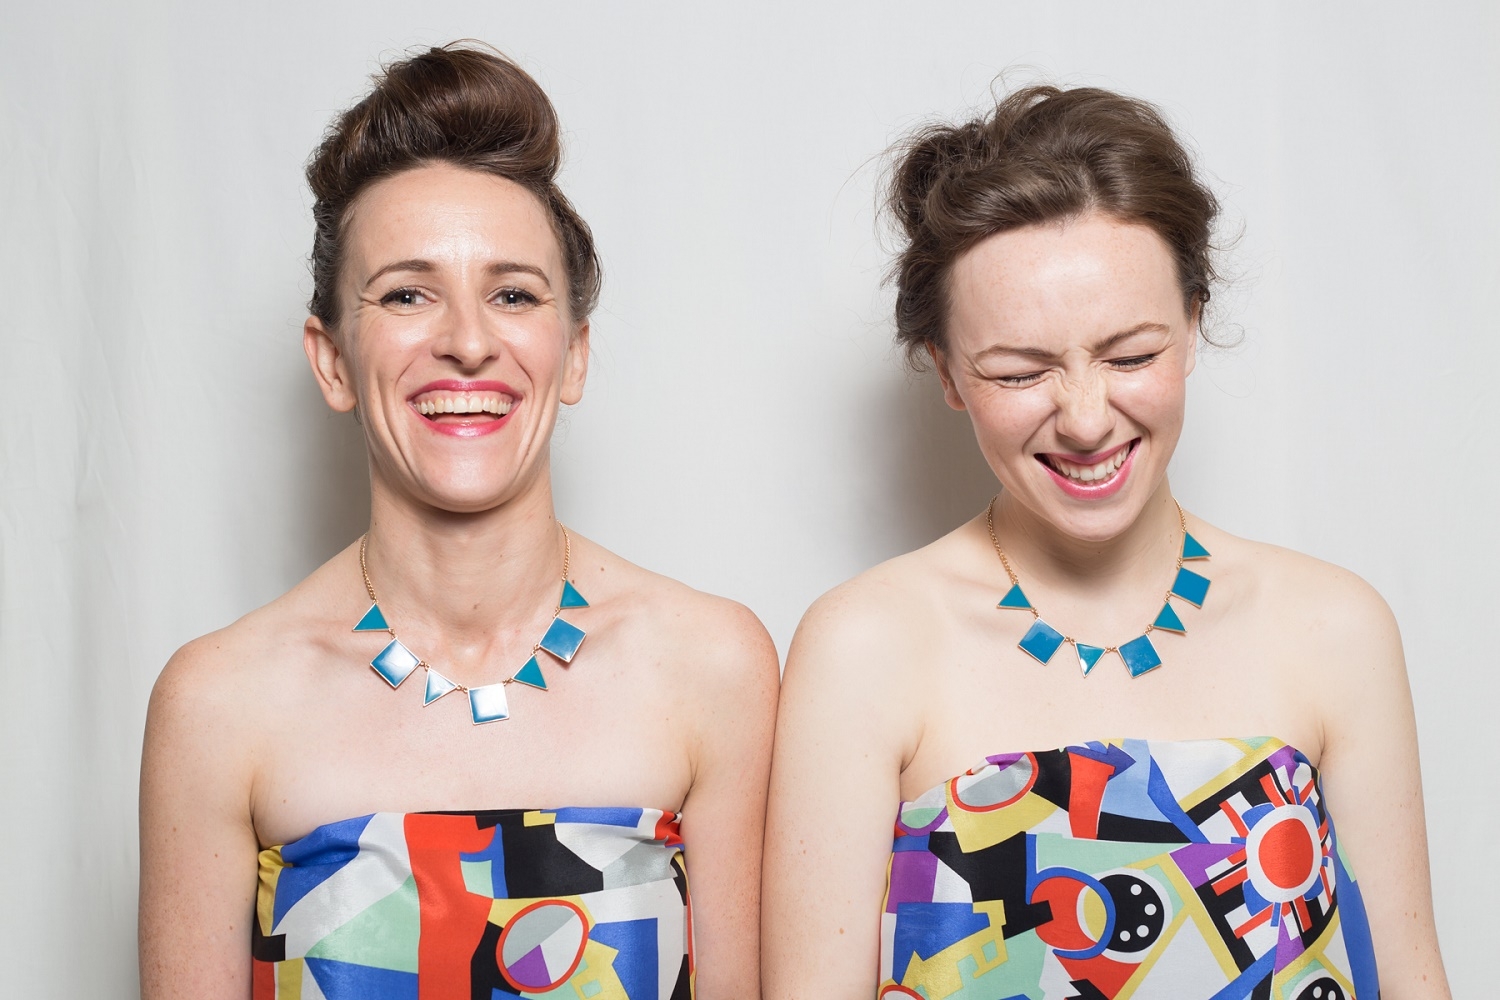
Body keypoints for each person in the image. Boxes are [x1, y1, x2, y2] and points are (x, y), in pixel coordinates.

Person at [762, 85, 1449, 999]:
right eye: (1020, 372)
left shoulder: (1335, 628)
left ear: (1193, 327)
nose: (1086, 420)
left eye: (1131, 357)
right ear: (948, 373)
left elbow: (1410, 978)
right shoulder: (864, 646)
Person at [139, 43, 777, 1000]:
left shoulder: (713, 667)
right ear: (332, 360)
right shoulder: (218, 704)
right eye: (407, 294)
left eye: (513, 294)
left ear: (573, 354)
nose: (469, 342)